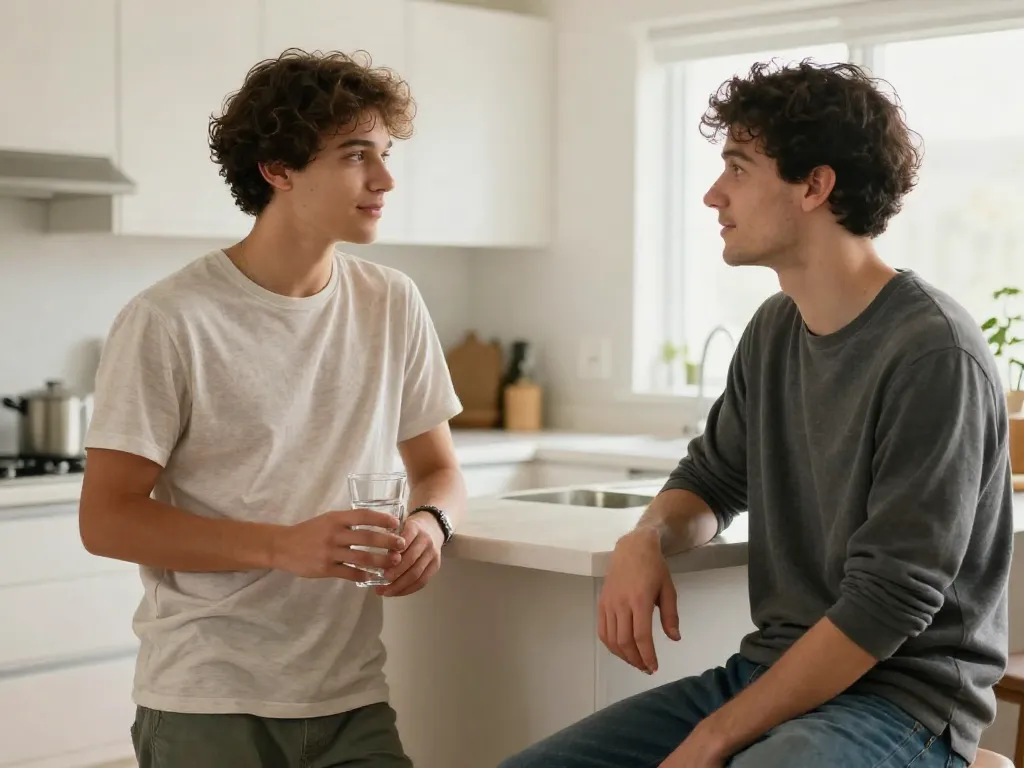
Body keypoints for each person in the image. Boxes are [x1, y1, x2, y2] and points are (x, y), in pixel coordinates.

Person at [500, 60, 1013, 768]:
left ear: (815, 185)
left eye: (738, 168)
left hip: (903, 703)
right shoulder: (775, 330)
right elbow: (712, 481)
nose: (713, 194)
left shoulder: (933, 354)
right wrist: (646, 535)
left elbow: (889, 604)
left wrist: (715, 736)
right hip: (773, 675)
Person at [78, 49, 465, 767]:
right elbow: (106, 518)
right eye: (356, 156)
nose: (385, 179)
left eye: (384, 154)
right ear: (278, 170)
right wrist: (282, 545)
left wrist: (431, 524)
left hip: (352, 694)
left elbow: (439, 468)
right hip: (209, 698)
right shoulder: (170, 318)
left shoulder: (392, 303)